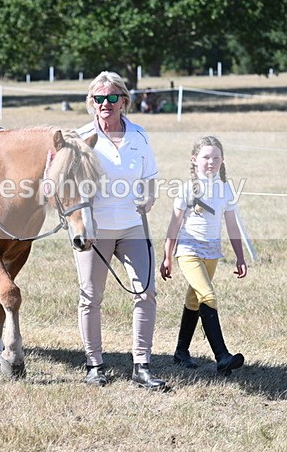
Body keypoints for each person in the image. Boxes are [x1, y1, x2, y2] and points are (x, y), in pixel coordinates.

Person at [74, 71, 165, 389]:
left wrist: (150, 196)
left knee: (146, 292)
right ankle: (94, 365)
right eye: (98, 98)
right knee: (90, 297)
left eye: (112, 98)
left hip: (132, 227)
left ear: (124, 101)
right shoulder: (82, 138)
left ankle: (142, 366)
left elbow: (150, 176)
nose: (105, 104)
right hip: (95, 231)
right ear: (91, 102)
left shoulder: (139, 135)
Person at [159, 135, 247, 376]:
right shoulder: (187, 189)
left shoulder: (226, 190)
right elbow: (174, 225)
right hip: (189, 251)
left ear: (222, 161)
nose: (211, 162)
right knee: (208, 295)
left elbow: (232, 225)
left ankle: (180, 352)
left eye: (216, 158)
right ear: (194, 160)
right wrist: (167, 255)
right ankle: (222, 356)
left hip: (212, 253)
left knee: (194, 301)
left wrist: (240, 257)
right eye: (206, 157)